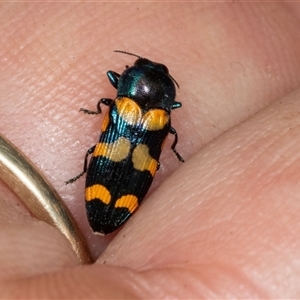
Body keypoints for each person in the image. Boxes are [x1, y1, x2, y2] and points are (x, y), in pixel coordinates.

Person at [1, 2, 300, 298]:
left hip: (106, 180)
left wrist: (98, 113)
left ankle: (84, 171)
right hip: (126, 185)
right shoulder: (163, 118)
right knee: (130, 153)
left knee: (95, 151)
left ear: (129, 81)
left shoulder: (123, 104)